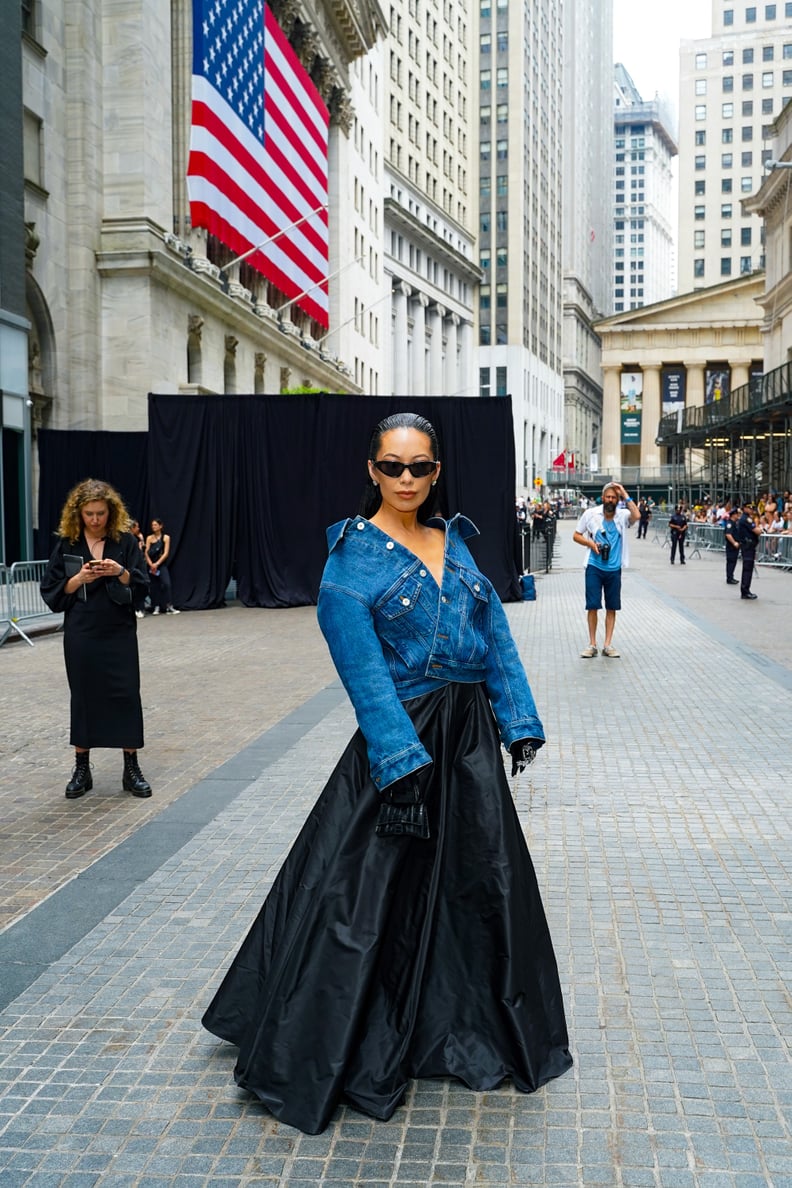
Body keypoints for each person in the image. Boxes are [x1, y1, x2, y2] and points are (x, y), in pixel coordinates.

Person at [201, 412, 572, 1135]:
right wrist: (400, 762)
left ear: (436, 472)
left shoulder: (455, 541)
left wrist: (518, 720)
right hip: (404, 736)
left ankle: (466, 1023)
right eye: (394, 466)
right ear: (372, 470)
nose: (407, 479)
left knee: (479, 881)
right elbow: (363, 673)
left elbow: (494, 637)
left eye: (421, 467)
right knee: (365, 899)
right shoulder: (350, 561)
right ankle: (325, 1040)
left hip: (468, 745)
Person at [39, 478, 152, 799]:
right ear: (78, 513)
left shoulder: (125, 543)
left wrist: (119, 571)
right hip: (82, 632)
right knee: (84, 696)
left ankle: (131, 769)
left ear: (111, 512)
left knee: (126, 695)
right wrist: (79, 578)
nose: (95, 520)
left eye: (100, 513)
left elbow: (141, 587)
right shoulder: (67, 544)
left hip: (118, 630)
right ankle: (81, 769)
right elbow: (52, 592)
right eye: (89, 514)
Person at [572, 481, 640, 658]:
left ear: (618, 500)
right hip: (594, 567)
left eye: (614, 497)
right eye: (608, 497)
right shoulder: (591, 514)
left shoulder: (623, 515)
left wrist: (624, 492)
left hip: (614, 569)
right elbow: (576, 535)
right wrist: (590, 543)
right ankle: (592, 644)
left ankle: (607, 645)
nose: (610, 500)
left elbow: (637, 515)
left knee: (612, 607)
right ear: (602, 498)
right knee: (592, 606)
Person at [144, 518, 180, 615]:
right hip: (151, 565)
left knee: (166, 584)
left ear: (160, 526)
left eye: (155, 525)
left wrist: (157, 564)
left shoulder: (166, 538)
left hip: (161, 565)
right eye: (152, 525)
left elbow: (166, 553)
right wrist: (151, 564)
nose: (153, 527)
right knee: (154, 586)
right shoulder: (149, 538)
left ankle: (169, 606)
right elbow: (146, 552)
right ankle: (156, 606)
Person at [736, 502, 762, 599]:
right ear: (745, 508)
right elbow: (756, 530)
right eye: (750, 508)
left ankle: (745, 590)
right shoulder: (746, 519)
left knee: (748, 568)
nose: (752, 510)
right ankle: (745, 591)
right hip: (748, 546)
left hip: (748, 546)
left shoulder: (745, 518)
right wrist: (761, 530)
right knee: (747, 569)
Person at [723, 506, 741, 584]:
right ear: (733, 515)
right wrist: (734, 542)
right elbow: (728, 534)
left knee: (733, 562)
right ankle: (729, 578)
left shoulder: (734, 523)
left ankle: (731, 576)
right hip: (731, 546)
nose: (738, 516)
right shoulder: (730, 524)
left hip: (734, 546)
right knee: (731, 562)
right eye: (737, 514)